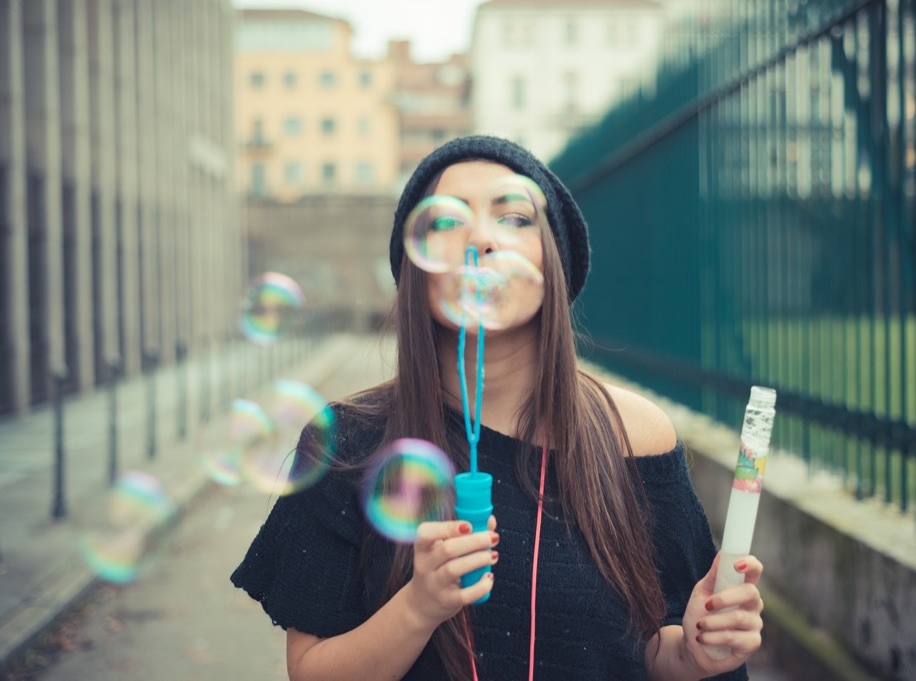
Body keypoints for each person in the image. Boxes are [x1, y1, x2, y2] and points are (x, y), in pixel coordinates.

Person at [231, 135, 765, 681]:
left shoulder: (636, 437)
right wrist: (419, 606)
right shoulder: (345, 443)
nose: (481, 239)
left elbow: (649, 653)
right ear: (415, 270)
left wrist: (694, 652)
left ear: (552, 262)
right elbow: (311, 671)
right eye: (447, 222)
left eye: (512, 218)